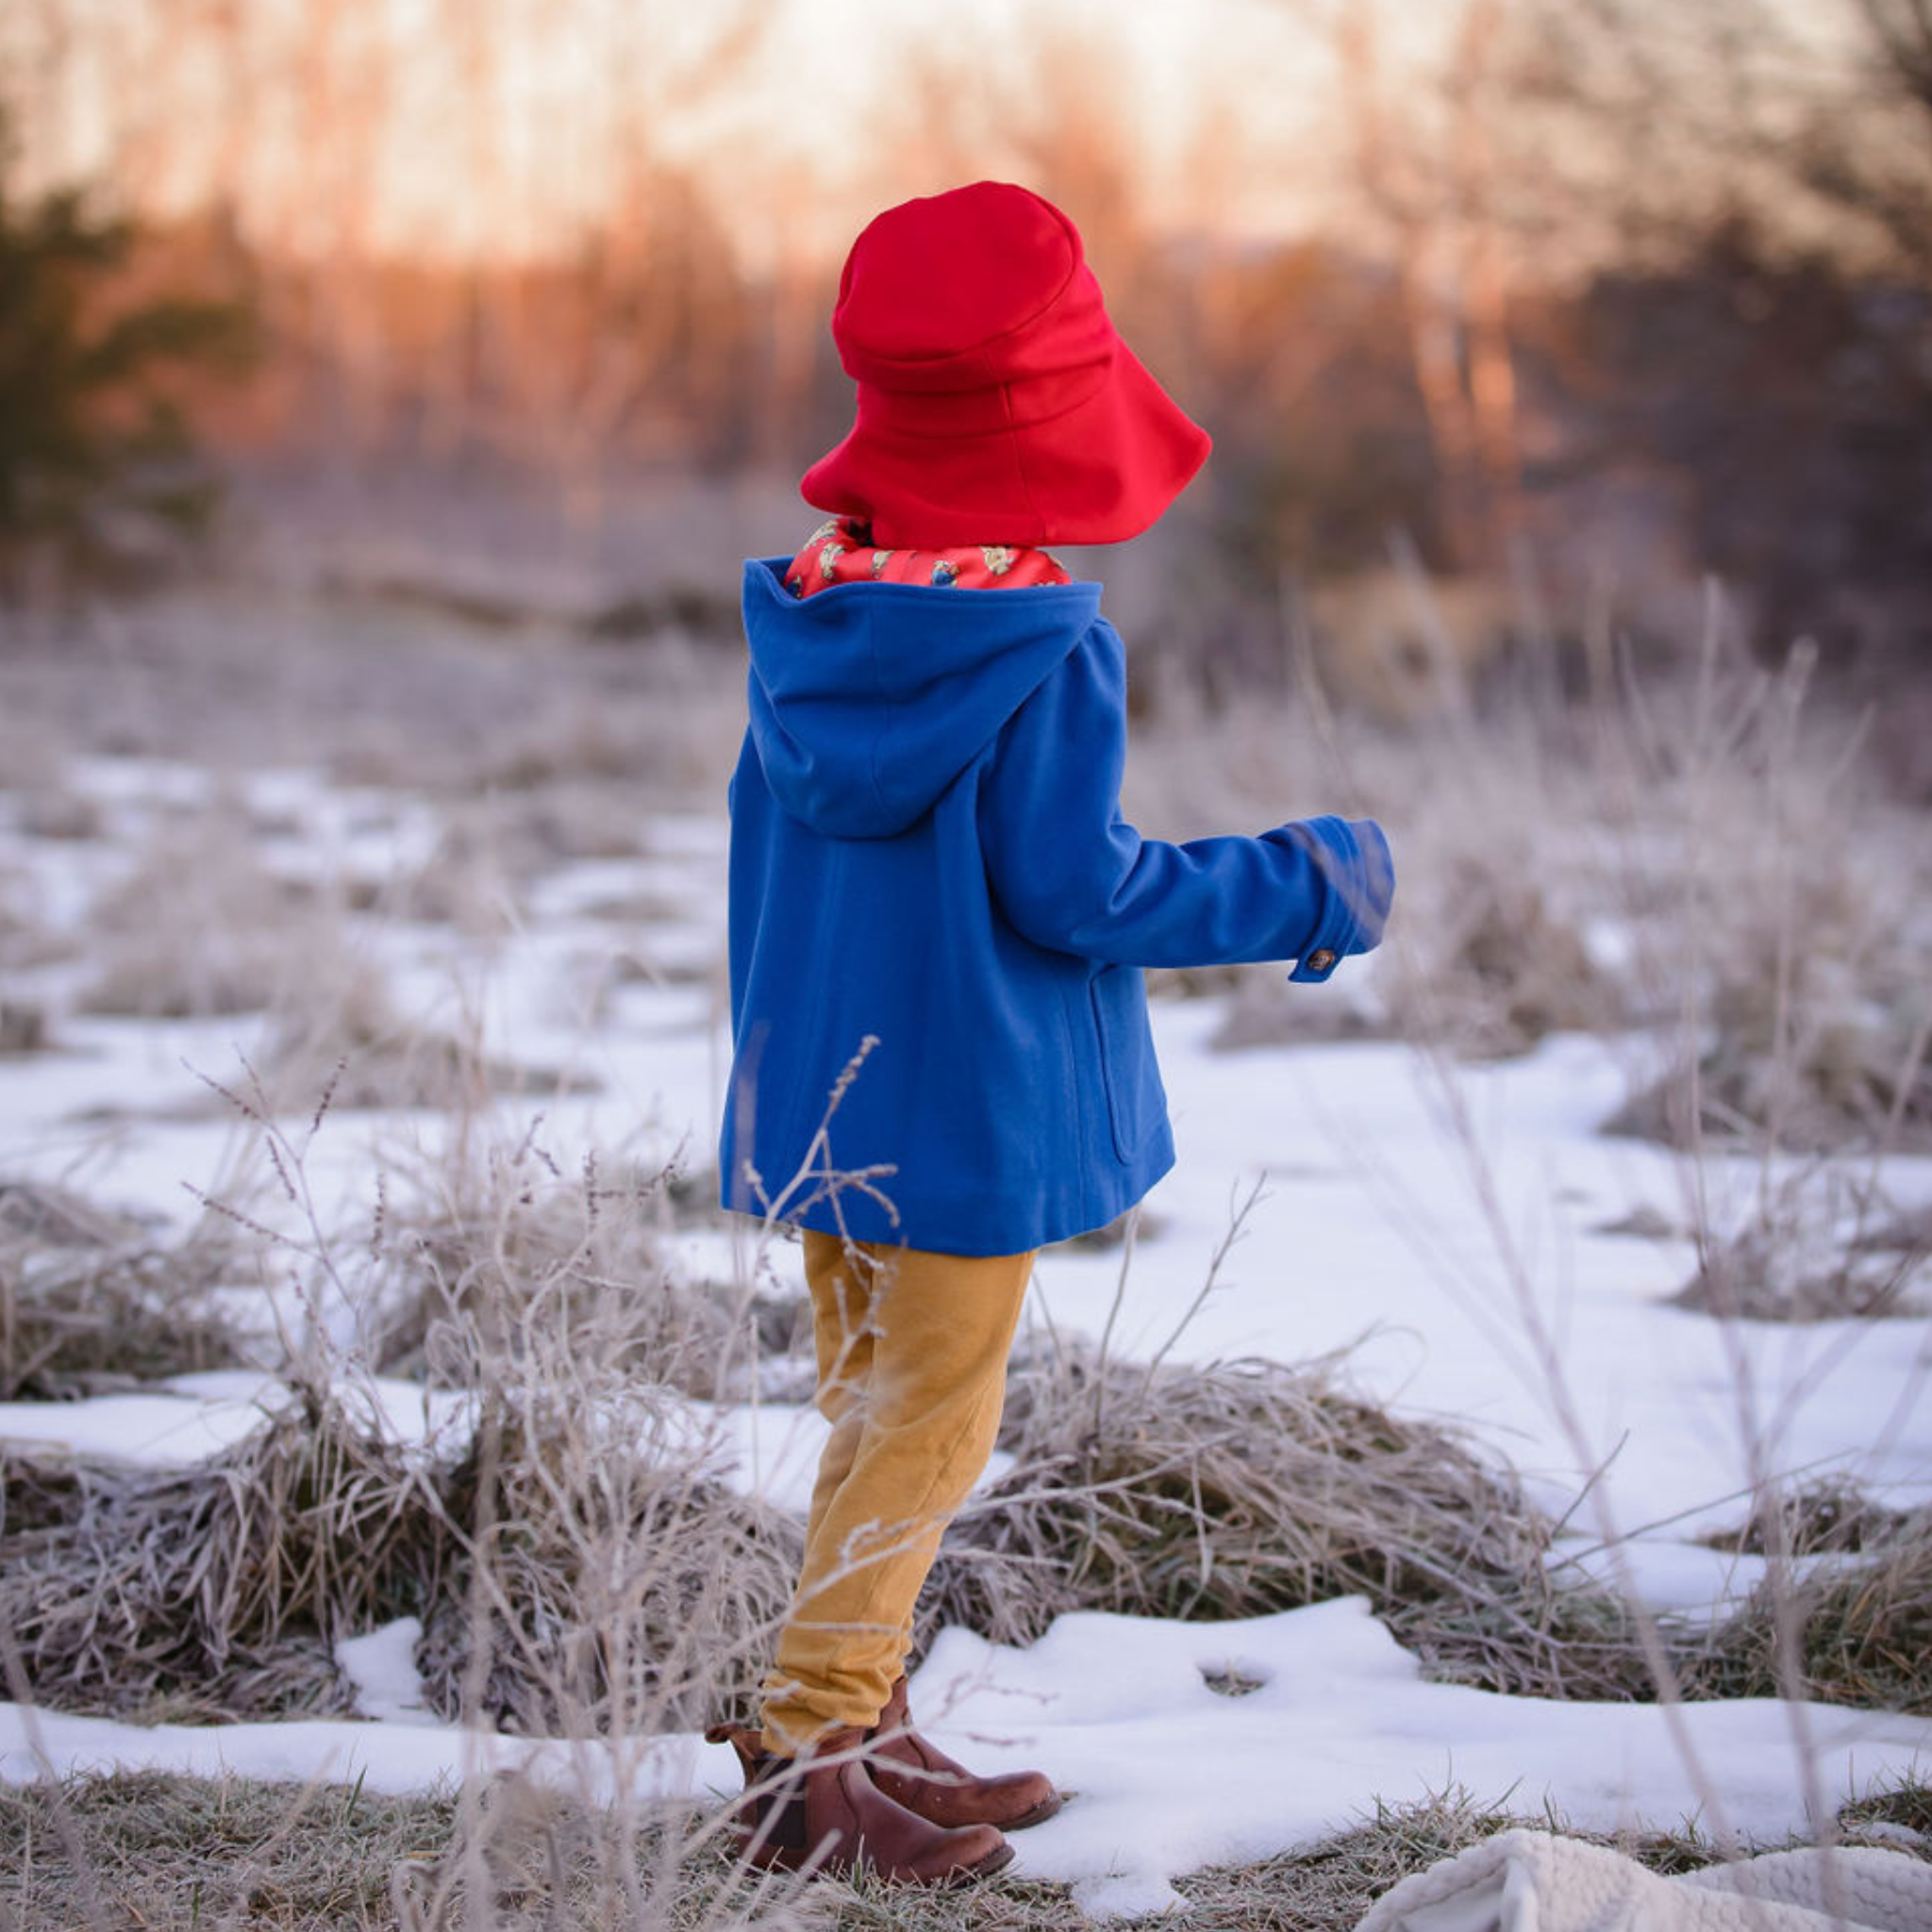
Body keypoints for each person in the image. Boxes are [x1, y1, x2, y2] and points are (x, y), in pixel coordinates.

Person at [705, 180, 1394, 1886]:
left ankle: (855, 1717)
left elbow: (766, 866)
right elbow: (1078, 891)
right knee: (930, 1426)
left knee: (871, 1402)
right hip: (967, 1123)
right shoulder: (1034, 641)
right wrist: (1306, 882)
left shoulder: (816, 609)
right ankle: (804, 1763)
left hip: (824, 1104)